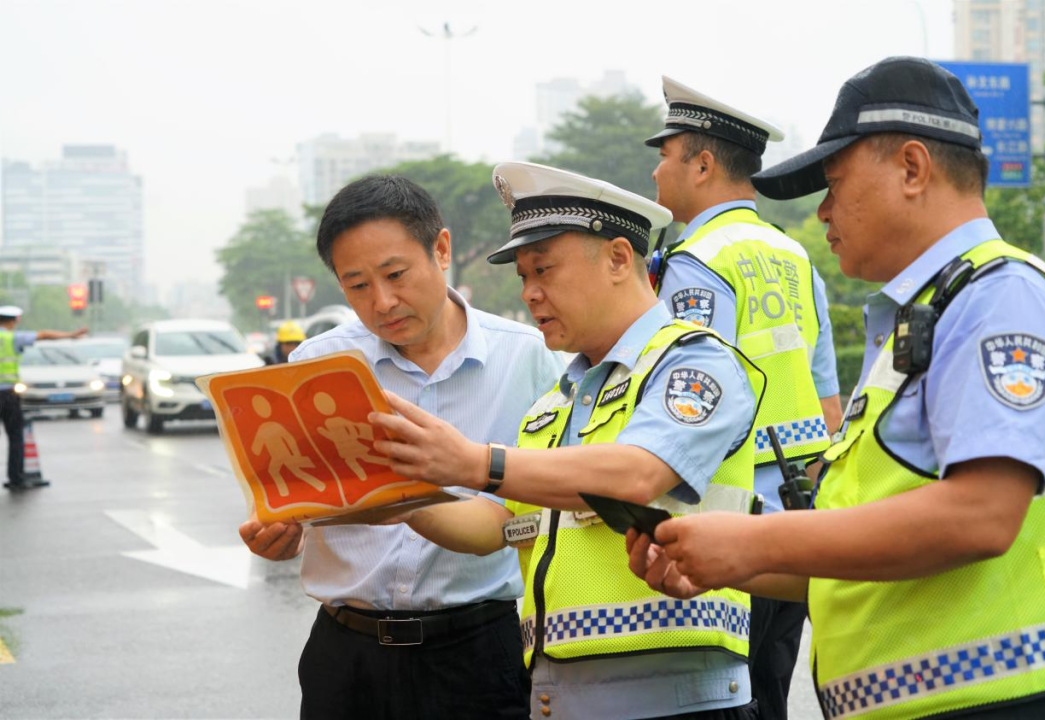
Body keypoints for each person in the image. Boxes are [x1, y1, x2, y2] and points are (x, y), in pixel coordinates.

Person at [627, 56, 1045, 719]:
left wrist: (753, 543)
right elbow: (867, 549)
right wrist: (719, 559)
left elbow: (981, 516)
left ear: (913, 168)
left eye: (835, 184)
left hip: (1008, 701)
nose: (825, 210)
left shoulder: (999, 295)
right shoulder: (925, 313)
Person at [368, 162, 765, 719]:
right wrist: (394, 496)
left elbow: (636, 475)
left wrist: (474, 462)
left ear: (620, 258)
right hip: (560, 700)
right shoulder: (557, 401)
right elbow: (493, 526)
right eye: (523, 277)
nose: (530, 294)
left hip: (678, 700)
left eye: (544, 270)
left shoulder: (693, 362)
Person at [237, 175, 563, 719]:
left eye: (395, 274)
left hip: (481, 654)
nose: (382, 302)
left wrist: (411, 499)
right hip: (346, 657)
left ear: (441, 248)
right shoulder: (318, 367)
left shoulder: (525, 359)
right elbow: (293, 502)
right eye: (356, 285)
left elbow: (537, 513)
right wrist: (279, 534)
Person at [646, 76, 842, 720]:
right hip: (801, 513)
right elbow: (828, 399)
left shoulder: (695, 261)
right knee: (776, 690)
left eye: (666, 154)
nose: (655, 169)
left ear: (702, 164)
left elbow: (688, 399)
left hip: (727, 521)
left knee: (730, 699)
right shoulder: (795, 256)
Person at [0, 306, 87, 491]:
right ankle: (16, 478)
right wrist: (71, 335)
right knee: (15, 436)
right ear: (14, 320)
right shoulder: (11, 337)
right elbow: (44, 334)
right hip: (7, 395)